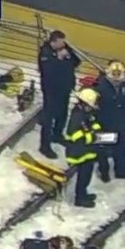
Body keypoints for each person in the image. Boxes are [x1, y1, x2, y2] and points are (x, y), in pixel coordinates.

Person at [38, 30, 80, 159]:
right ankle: (44, 146)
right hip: (51, 90)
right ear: (53, 42)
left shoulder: (65, 48)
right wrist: (59, 59)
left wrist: (68, 56)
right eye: (60, 42)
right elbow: (47, 71)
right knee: (48, 117)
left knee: (62, 113)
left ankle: (57, 134)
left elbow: (77, 62)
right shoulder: (45, 53)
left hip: (64, 88)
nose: (63, 45)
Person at [94, 61, 125, 181]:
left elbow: (123, 102)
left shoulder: (122, 86)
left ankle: (121, 171)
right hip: (104, 125)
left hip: (119, 124)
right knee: (102, 149)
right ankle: (104, 173)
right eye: (115, 75)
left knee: (121, 148)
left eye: (119, 74)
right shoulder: (101, 88)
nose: (117, 79)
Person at [65, 87, 103, 208]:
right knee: (83, 175)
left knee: (86, 175)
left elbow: (93, 124)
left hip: (87, 151)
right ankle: (80, 199)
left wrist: (99, 132)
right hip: (79, 153)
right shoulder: (77, 116)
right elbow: (74, 135)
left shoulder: (87, 113)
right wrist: (91, 136)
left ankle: (83, 194)